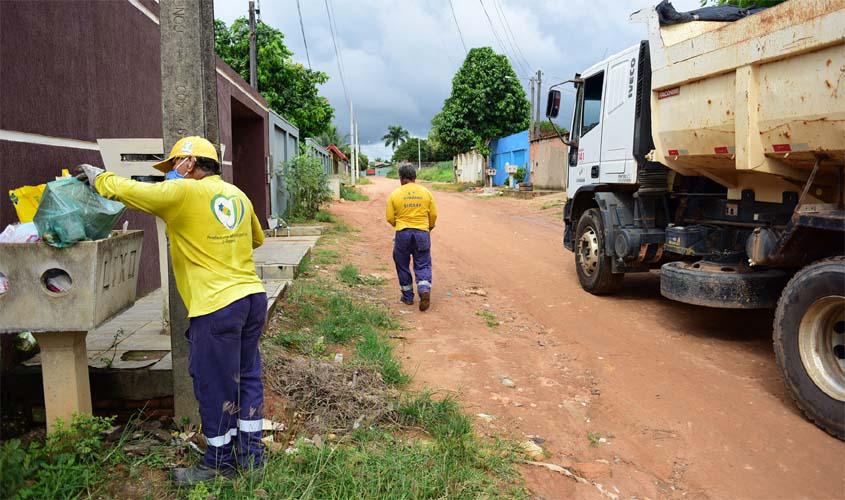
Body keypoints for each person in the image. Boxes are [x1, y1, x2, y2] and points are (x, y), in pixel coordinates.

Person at [77, 136, 267, 485]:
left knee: (213, 385)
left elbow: (134, 192)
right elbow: (257, 239)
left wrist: (99, 178)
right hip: (253, 299)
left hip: (217, 306)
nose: (170, 175)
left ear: (189, 164)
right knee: (247, 377)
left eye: (173, 167)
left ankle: (218, 463)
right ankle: (252, 457)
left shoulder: (183, 193)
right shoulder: (237, 194)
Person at [385, 164, 437, 311]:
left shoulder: (395, 194)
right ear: (415, 177)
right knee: (423, 263)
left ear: (401, 178)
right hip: (422, 232)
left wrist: (400, 224)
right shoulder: (426, 193)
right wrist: (429, 227)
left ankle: (407, 297)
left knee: (402, 263)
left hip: (403, 233)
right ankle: (424, 289)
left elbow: (389, 217)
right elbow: (433, 215)